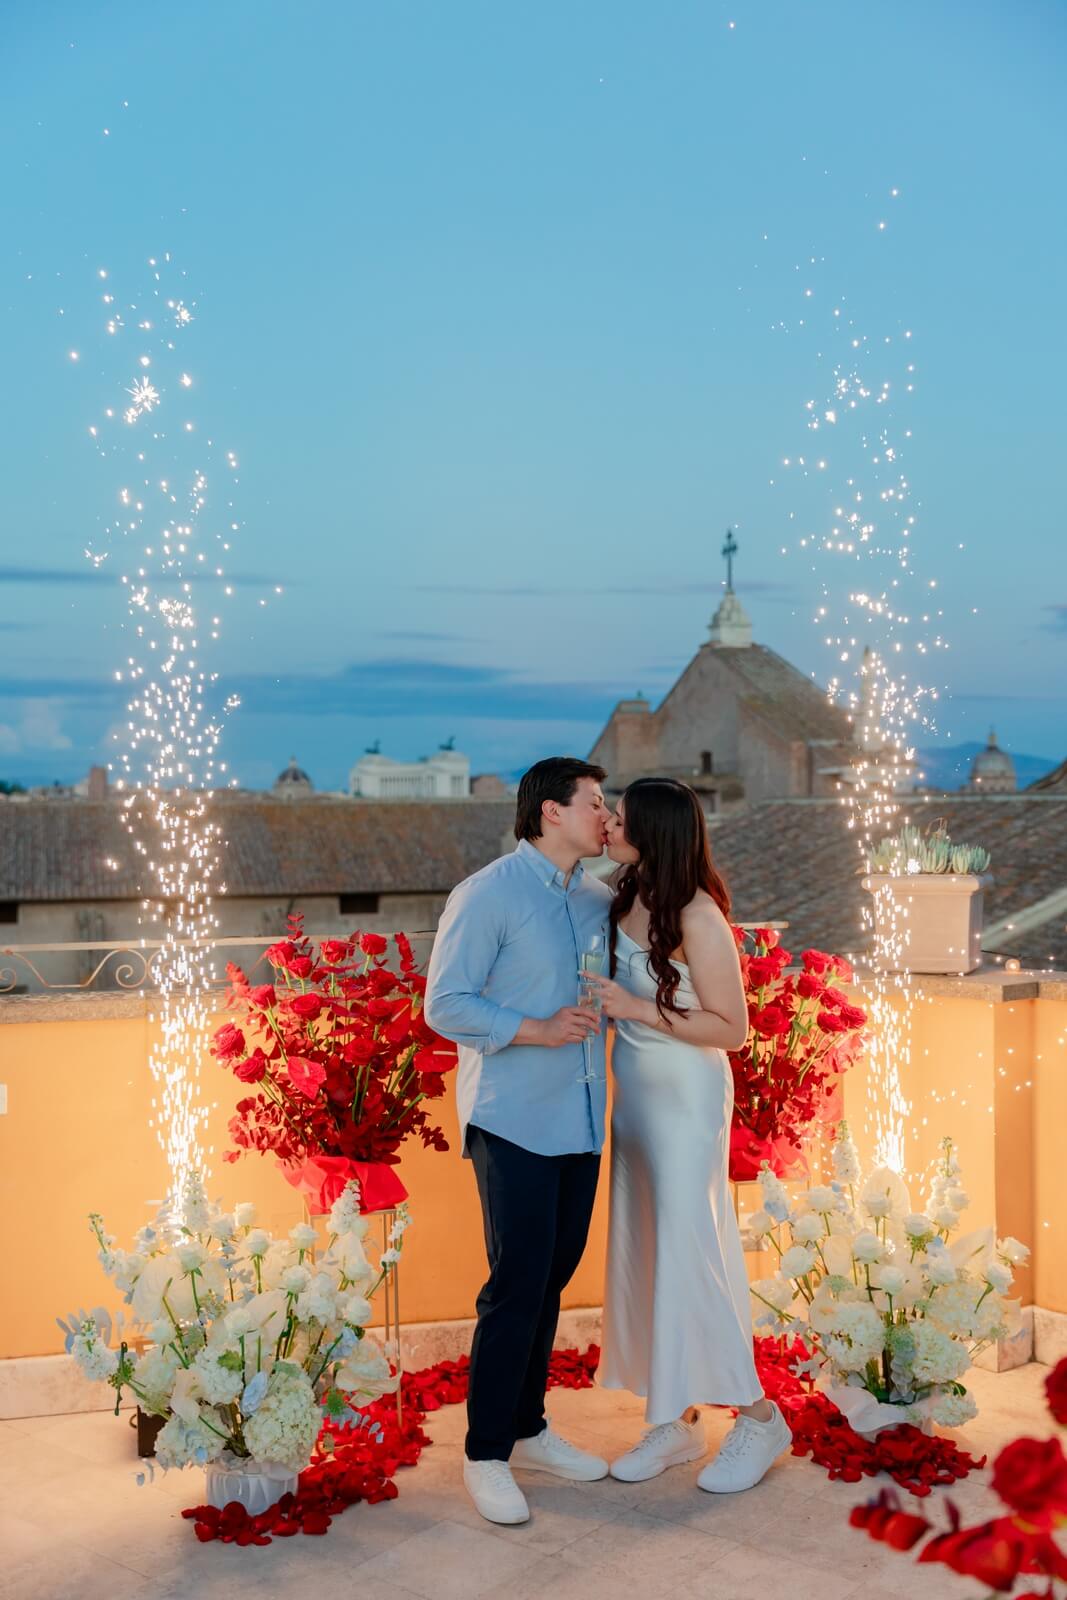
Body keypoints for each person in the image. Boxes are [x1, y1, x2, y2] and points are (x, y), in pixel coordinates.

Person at [425, 756, 613, 1526]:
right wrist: (532, 1030)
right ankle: (485, 1454)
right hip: (512, 1120)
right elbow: (445, 1003)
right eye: (596, 804)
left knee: (552, 1280)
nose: (607, 817)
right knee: (514, 1286)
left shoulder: (599, 899)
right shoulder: (485, 895)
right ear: (549, 812)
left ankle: (529, 1427)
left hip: (583, 1116)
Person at [589, 777, 791, 1492]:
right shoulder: (624, 892)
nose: (608, 823)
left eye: (619, 816)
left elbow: (730, 1030)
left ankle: (761, 1418)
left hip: (686, 1098)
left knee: (690, 1250)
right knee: (646, 1246)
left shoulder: (700, 917)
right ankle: (672, 1418)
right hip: (636, 1100)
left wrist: (636, 1011)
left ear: (655, 830)